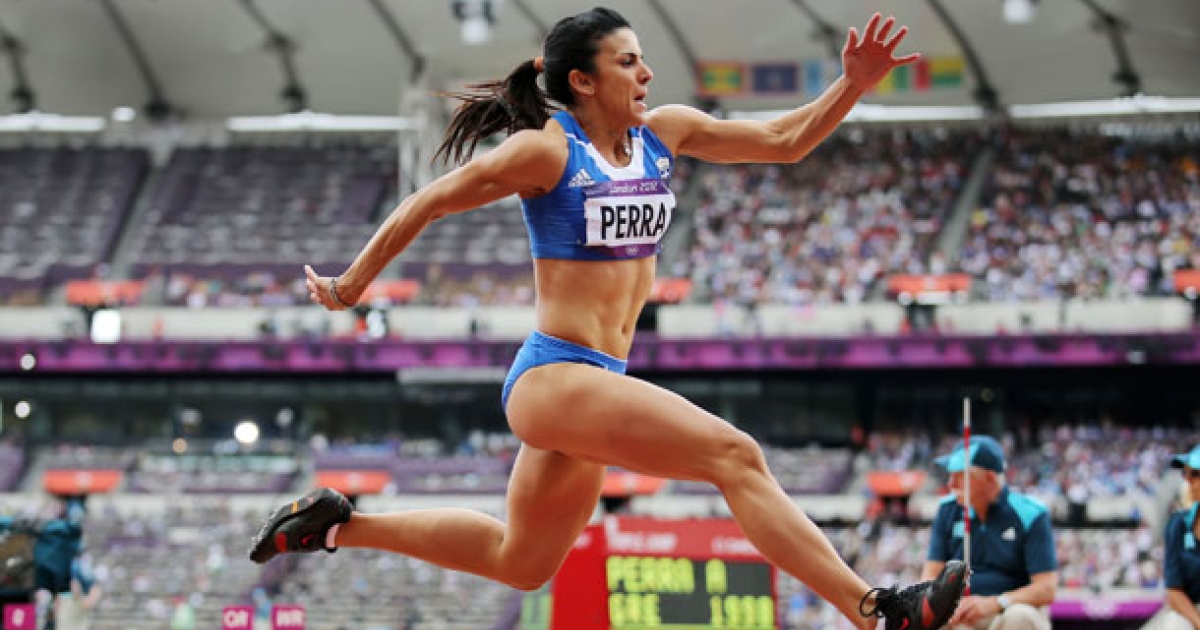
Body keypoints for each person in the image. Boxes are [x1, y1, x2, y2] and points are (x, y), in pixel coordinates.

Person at [249, 8, 967, 630]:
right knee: (736, 455)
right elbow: (429, 200)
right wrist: (349, 286)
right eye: (628, 62)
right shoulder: (547, 150)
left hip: (597, 382)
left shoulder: (665, 133)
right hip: (555, 376)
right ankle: (876, 610)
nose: (647, 73)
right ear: (583, 81)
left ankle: (335, 525)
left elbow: (785, 141)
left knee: (522, 562)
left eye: (643, 59)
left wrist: (851, 85)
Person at [922, 436, 1056, 630]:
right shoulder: (947, 510)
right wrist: (944, 606)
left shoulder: (1030, 514)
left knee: (1019, 617)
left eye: (960, 476)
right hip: (960, 615)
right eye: (951, 475)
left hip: (1007, 612)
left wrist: (996, 603)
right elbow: (930, 576)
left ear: (990, 479)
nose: (951, 484)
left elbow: (1046, 588)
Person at [1139, 445, 1200, 630]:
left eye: (1195, 474)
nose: (1187, 480)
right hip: (1192, 611)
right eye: (1186, 473)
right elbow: (1174, 591)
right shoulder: (1178, 524)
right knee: (1174, 624)